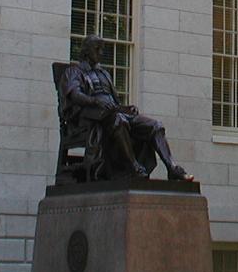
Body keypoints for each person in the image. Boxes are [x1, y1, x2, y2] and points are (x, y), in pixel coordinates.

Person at [60, 34, 194, 181]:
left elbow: (112, 101)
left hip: (114, 114)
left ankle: (172, 167)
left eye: (102, 49)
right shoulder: (73, 71)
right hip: (92, 118)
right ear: (86, 51)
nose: (101, 53)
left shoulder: (104, 73)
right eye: (97, 49)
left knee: (155, 126)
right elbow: (75, 95)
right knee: (119, 120)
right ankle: (133, 167)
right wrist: (95, 102)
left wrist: (125, 108)